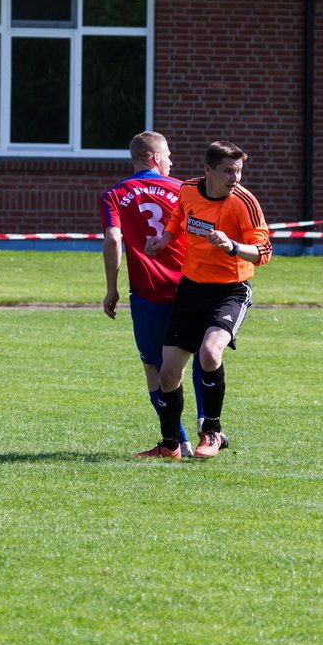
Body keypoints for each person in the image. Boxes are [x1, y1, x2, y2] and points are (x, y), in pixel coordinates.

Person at [142, 141, 271, 459]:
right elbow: (178, 218)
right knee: (168, 373)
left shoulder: (244, 203)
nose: (235, 177)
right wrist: (165, 239)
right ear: (207, 170)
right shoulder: (187, 190)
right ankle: (170, 444)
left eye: (239, 170)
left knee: (210, 354)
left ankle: (211, 431)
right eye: (228, 171)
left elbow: (264, 252)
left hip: (230, 290)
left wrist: (233, 246)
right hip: (191, 289)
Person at [100, 131, 203, 458]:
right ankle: (207, 428)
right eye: (168, 154)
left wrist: (111, 288)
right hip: (191, 286)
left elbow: (114, 240)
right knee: (201, 356)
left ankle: (175, 442)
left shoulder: (114, 194)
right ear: (154, 158)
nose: (172, 160)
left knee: (154, 367)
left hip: (149, 293)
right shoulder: (183, 191)